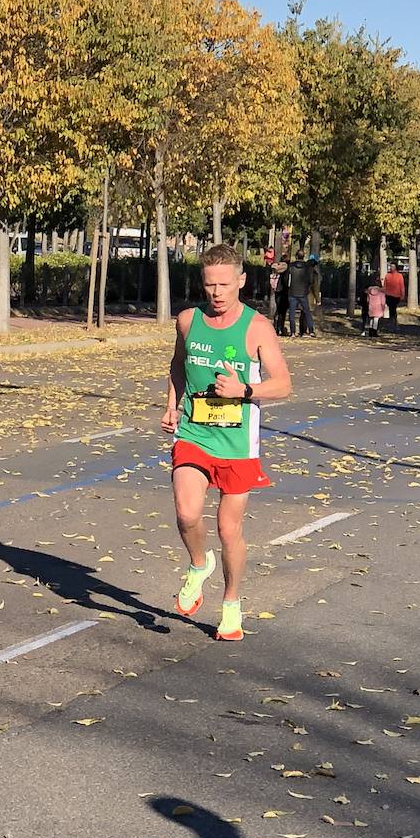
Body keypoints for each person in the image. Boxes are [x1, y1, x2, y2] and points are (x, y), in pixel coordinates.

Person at [162, 243, 292, 641]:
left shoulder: (257, 327)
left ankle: (231, 602)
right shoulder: (188, 320)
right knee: (187, 513)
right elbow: (177, 364)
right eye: (209, 284)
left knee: (228, 528)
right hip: (195, 433)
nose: (216, 293)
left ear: (241, 281)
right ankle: (199, 564)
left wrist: (244, 390)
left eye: (224, 284)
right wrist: (172, 404)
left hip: (237, 443)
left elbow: (284, 384)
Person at [285, 251, 314, 337]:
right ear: (303, 256)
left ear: (296, 256)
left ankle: (293, 331)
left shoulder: (291, 266)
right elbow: (310, 280)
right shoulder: (307, 267)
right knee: (307, 312)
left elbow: (287, 279)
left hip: (292, 292)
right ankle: (311, 330)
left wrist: (288, 287)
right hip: (303, 292)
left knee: (292, 313)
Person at [383, 262, 405, 327]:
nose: (391, 268)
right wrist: (383, 294)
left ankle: (394, 321)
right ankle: (392, 321)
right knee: (391, 308)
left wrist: (402, 294)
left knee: (393, 308)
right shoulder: (387, 275)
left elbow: (402, 286)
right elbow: (385, 286)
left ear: (396, 268)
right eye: (390, 266)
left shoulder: (399, 276)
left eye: (393, 267)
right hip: (388, 295)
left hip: (396, 295)